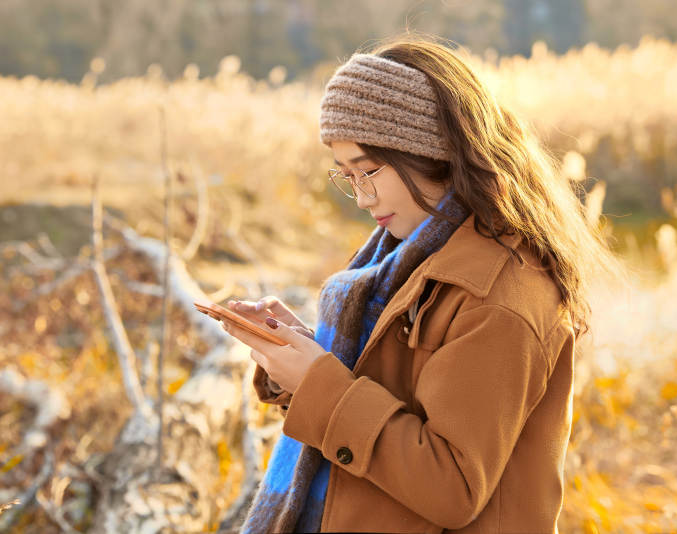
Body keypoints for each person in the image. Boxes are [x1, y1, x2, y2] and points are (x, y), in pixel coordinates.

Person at [219, 33, 619, 534]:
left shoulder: (498, 294)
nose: (361, 198)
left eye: (369, 172)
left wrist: (319, 381)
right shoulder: (406, 257)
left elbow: (453, 488)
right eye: (346, 176)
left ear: (429, 153)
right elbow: (392, 387)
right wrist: (300, 351)